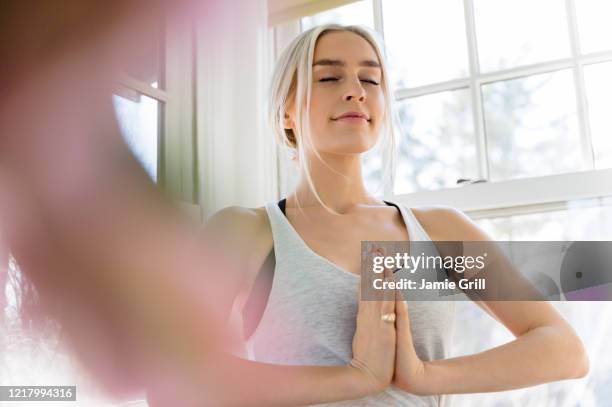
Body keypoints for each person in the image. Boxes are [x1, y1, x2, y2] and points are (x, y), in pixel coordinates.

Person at [206, 24, 590, 406]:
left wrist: (424, 376)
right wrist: (355, 378)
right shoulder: (245, 233)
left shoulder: (440, 232)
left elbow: (565, 350)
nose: (356, 90)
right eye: (328, 77)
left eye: (371, 80)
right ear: (286, 112)